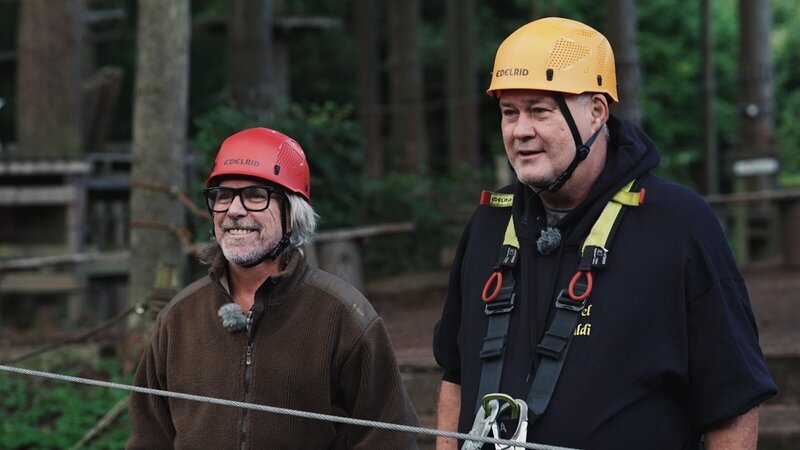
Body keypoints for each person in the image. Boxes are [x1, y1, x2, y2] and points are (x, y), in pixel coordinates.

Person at [433, 17, 777, 450]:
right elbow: (456, 376)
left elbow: (733, 401)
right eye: (509, 112)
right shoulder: (489, 223)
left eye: (540, 110)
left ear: (597, 111)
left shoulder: (677, 227)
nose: (520, 130)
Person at [127, 127, 419, 449]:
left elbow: (390, 440)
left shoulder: (344, 315)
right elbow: (149, 439)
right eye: (223, 196)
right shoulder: (179, 317)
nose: (234, 210)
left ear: (292, 213)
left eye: (255, 195)